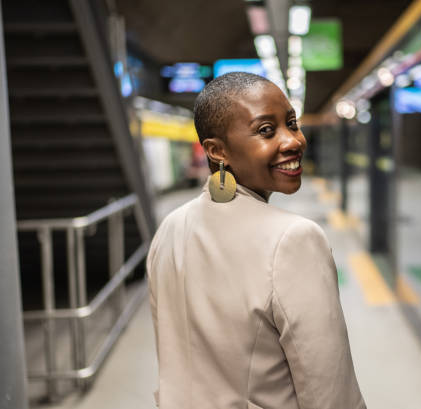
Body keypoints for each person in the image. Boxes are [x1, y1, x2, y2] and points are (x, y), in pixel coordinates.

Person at [147, 72, 366, 409]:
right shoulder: (294, 240)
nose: (293, 140)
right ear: (217, 151)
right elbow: (331, 395)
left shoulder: (170, 229)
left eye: (291, 123)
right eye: (266, 130)